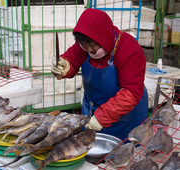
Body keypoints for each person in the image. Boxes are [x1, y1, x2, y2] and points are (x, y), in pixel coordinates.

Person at [51, 8, 148, 141]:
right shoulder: (84, 45)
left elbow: (131, 93)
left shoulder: (130, 49)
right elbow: (72, 59)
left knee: (126, 153)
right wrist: (64, 66)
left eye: (93, 46)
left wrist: (102, 117)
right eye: (85, 46)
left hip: (125, 118)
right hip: (93, 110)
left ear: (104, 37)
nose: (89, 50)